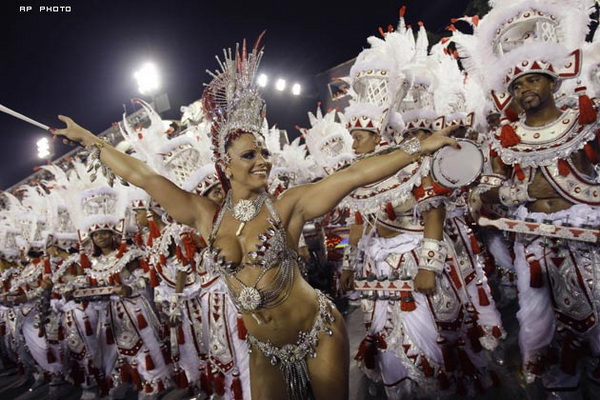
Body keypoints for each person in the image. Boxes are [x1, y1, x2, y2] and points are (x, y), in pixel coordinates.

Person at [51, 38, 456, 400]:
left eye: (264, 153)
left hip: (319, 332)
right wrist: (90, 140)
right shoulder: (203, 215)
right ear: (225, 165)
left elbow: (353, 175)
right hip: (265, 348)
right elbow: (144, 176)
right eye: (250, 155)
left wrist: (419, 150)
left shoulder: (288, 206)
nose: (263, 161)